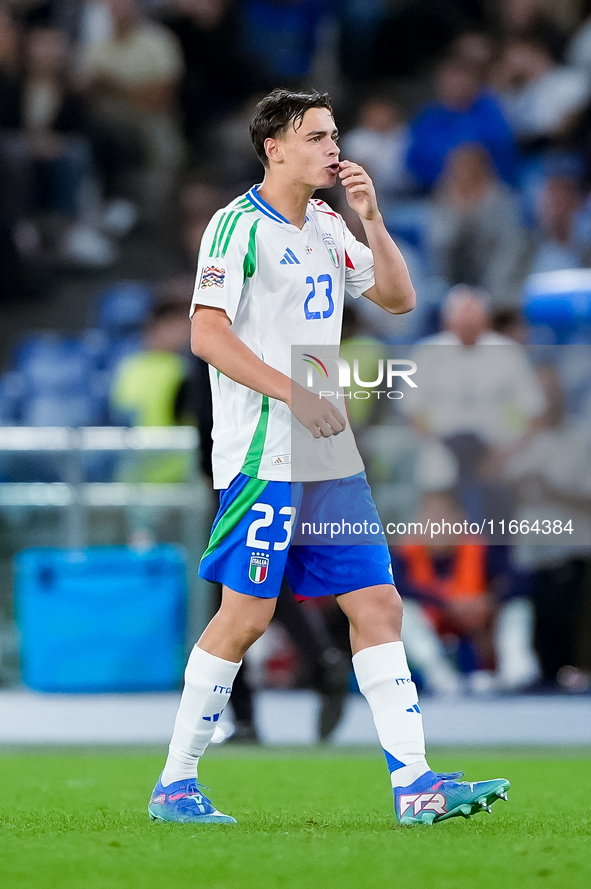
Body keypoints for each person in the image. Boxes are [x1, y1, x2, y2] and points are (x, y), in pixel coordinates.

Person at [147, 88, 509, 827]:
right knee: (243, 617)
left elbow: (400, 299)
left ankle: (415, 785)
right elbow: (207, 336)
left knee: (377, 602)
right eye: (316, 136)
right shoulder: (234, 226)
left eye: (334, 134)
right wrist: (293, 394)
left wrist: (372, 220)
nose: (332, 148)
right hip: (262, 453)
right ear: (275, 147)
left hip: (328, 456)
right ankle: (175, 783)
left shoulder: (324, 221)